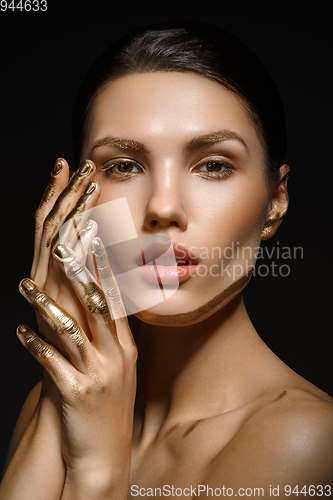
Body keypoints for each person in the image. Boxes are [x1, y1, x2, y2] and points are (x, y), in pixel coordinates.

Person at [1, 21, 332, 499]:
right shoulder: (49, 403)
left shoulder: (306, 443)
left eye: (213, 165)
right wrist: (66, 373)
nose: (162, 208)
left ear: (275, 201)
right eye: (124, 167)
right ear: (75, 201)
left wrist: (97, 470)